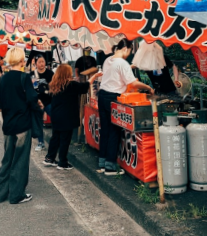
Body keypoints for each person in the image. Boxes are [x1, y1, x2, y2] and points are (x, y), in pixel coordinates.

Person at [98, 39, 154, 175]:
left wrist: (130, 68)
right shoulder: (122, 63)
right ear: (125, 49)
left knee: (105, 129)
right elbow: (133, 84)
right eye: (129, 51)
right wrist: (148, 88)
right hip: (113, 98)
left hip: (102, 95)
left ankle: (102, 162)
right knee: (114, 131)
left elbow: (115, 74)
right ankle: (110, 167)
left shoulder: (108, 60)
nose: (128, 54)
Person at [0, 48, 40, 204]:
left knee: (7, 159)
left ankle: (0, 193)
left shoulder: (4, 78)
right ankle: (16, 195)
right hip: (22, 124)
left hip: (8, 124)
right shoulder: (24, 77)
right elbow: (32, 98)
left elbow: (1, 102)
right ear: (21, 61)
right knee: (20, 160)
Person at [44, 64, 100, 170]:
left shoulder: (54, 84)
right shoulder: (71, 84)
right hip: (67, 117)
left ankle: (49, 158)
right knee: (65, 139)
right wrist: (94, 76)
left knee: (55, 137)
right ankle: (62, 162)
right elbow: (85, 87)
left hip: (56, 115)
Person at [29, 55, 54, 151]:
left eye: (43, 61)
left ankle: (56, 139)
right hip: (37, 102)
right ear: (35, 63)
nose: (41, 64)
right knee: (39, 122)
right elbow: (31, 89)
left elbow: (53, 87)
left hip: (48, 101)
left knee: (55, 118)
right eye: (39, 62)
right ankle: (41, 142)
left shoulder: (50, 73)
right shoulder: (32, 74)